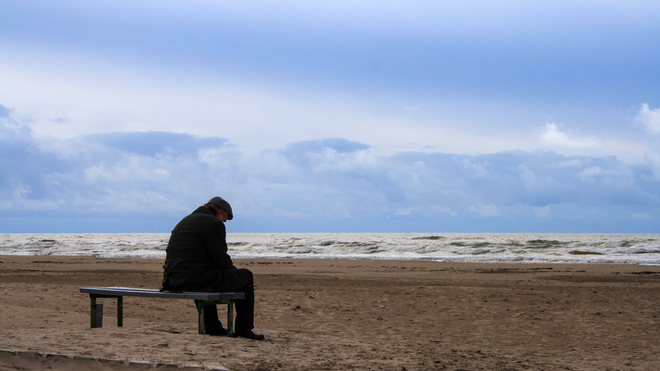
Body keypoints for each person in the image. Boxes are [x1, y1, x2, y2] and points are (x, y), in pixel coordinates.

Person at [161, 196, 264, 340]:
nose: (224, 222)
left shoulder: (185, 220)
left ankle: (212, 326)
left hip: (172, 280)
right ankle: (243, 329)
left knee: (206, 277)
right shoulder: (213, 223)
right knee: (245, 276)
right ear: (219, 212)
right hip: (192, 279)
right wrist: (232, 272)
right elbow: (220, 257)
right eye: (225, 219)